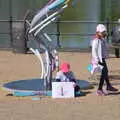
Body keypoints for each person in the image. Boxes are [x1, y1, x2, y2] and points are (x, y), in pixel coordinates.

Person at [91, 24, 118, 96]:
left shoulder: (102, 39)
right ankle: (99, 89)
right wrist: (96, 60)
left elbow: (106, 46)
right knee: (103, 74)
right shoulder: (95, 41)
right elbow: (94, 51)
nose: (104, 33)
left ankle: (108, 85)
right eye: (102, 32)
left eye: (104, 32)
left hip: (102, 59)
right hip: (98, 60)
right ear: (98, 32)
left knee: (105, 72)